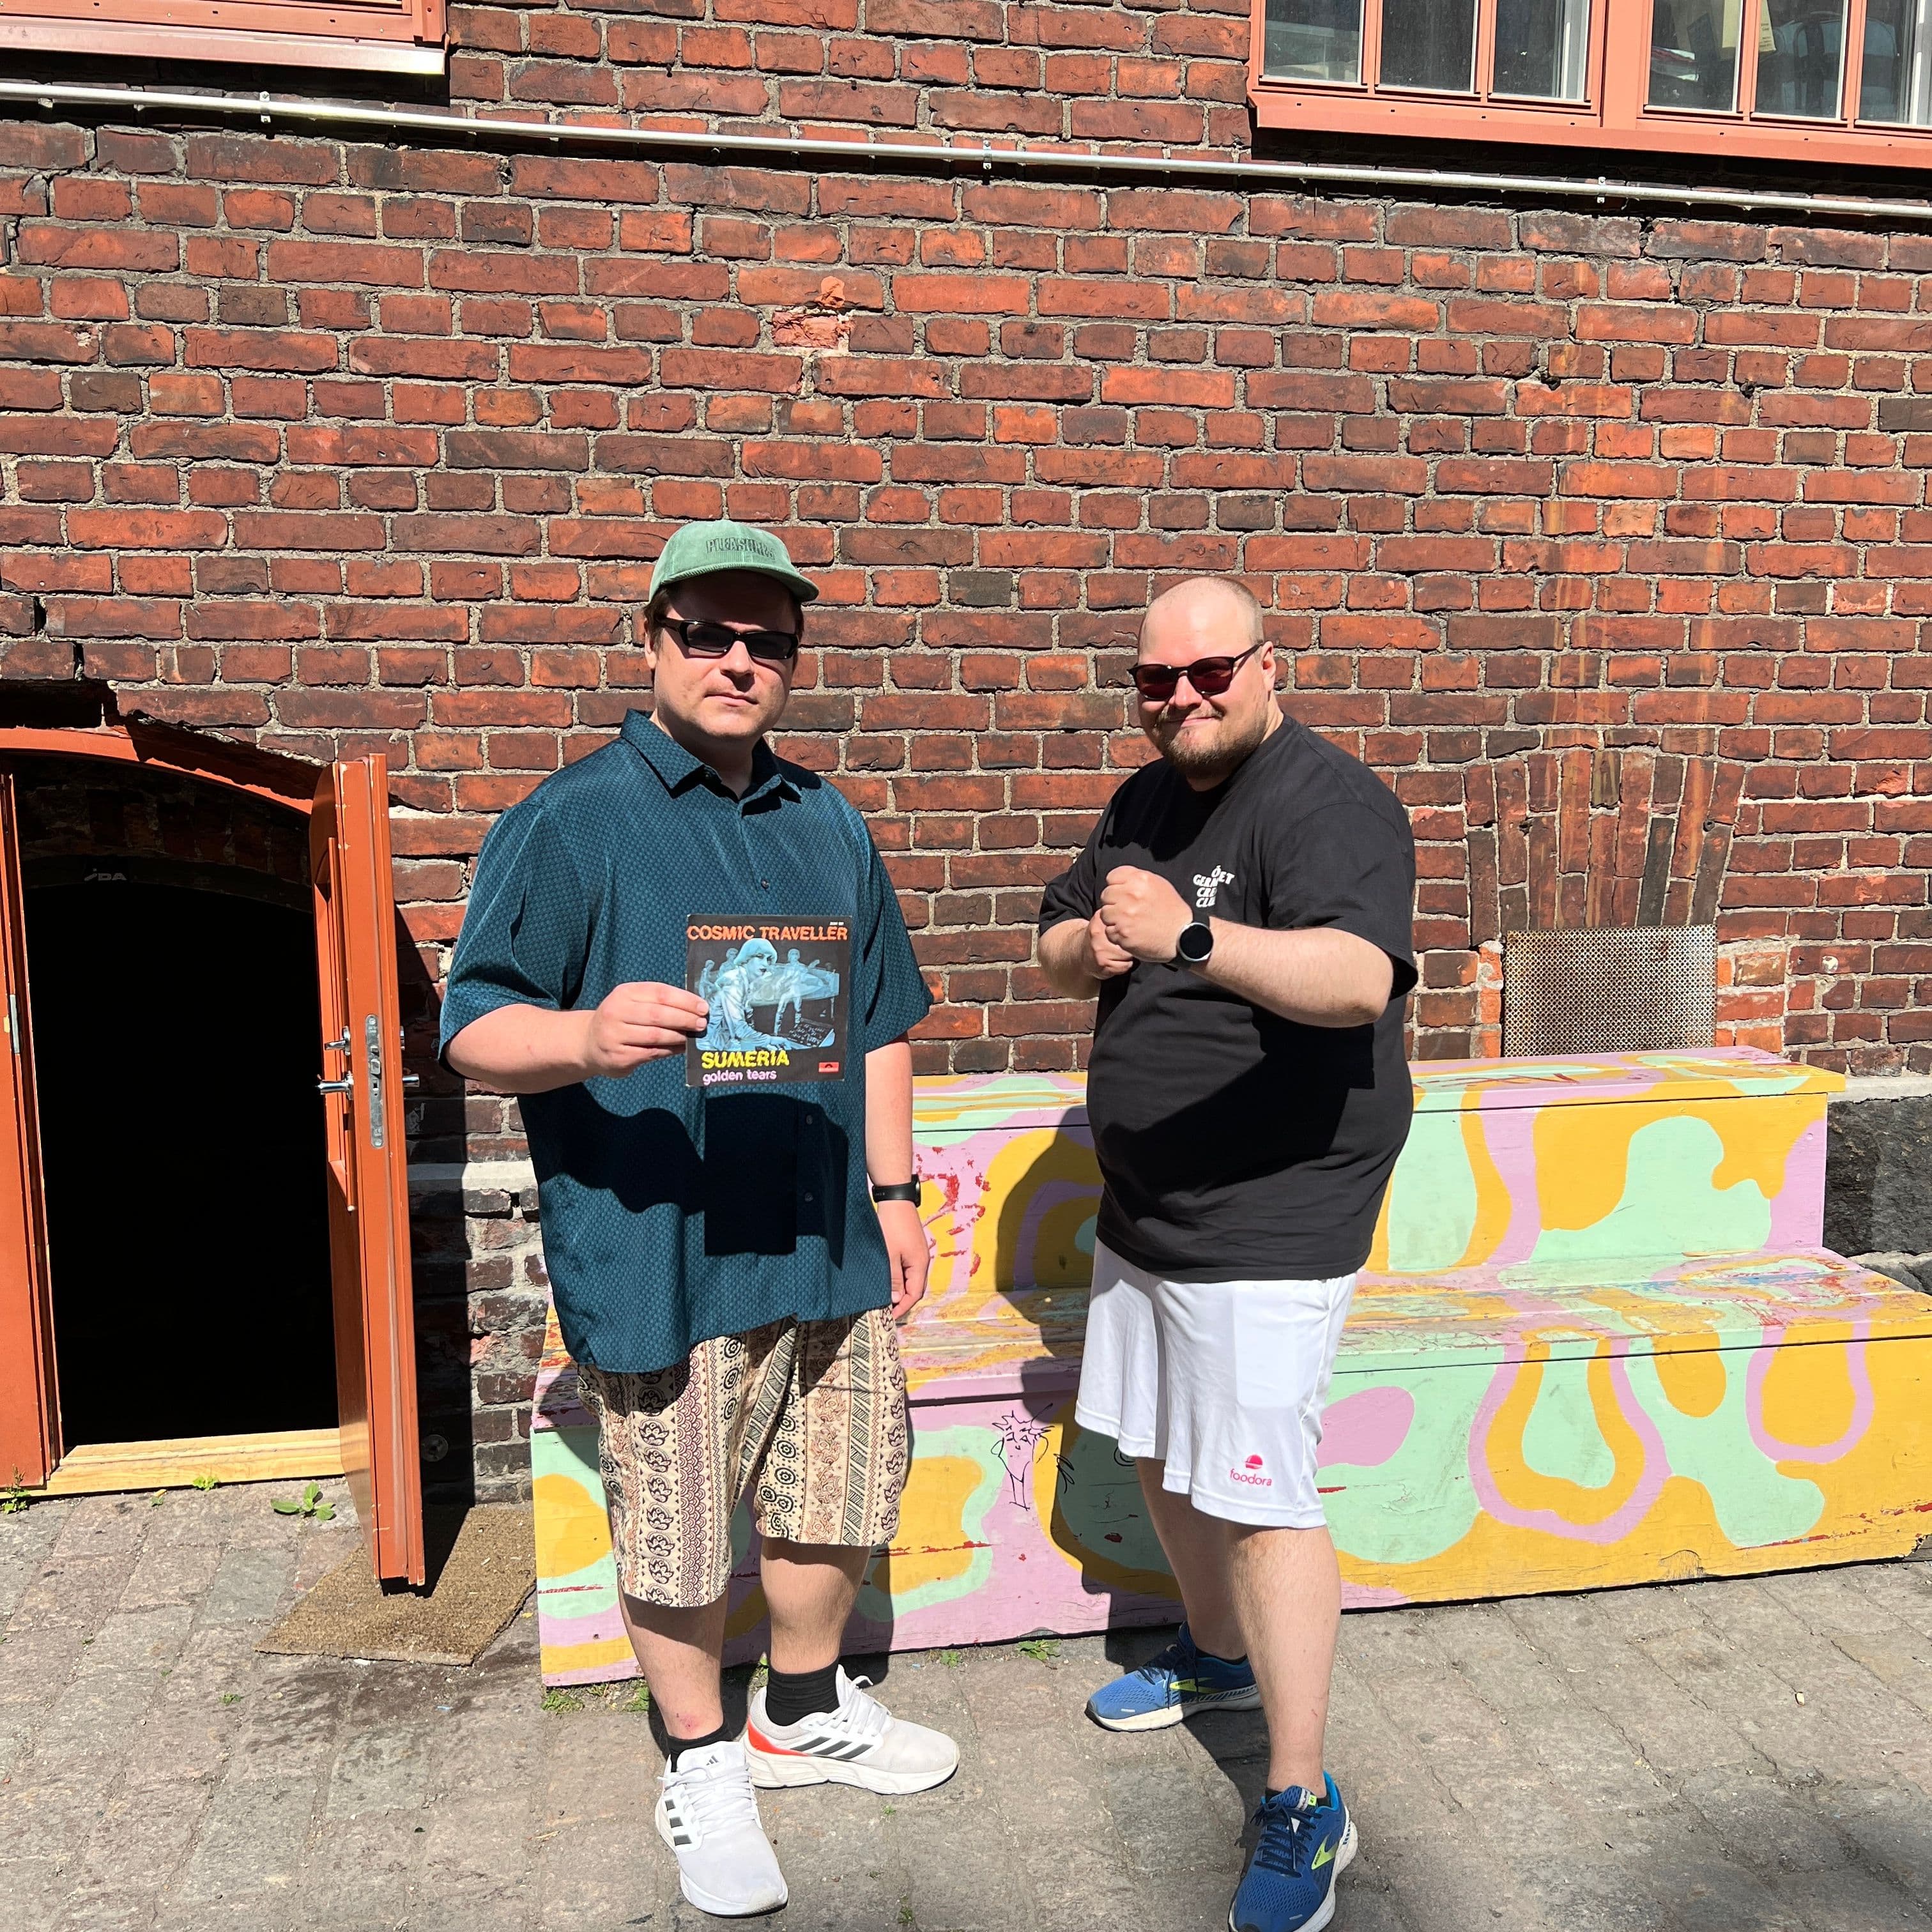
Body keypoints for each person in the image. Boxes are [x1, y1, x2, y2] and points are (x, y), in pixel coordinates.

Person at [440, 519, 957, 1919]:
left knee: (841, 1488)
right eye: (708, 634)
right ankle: (699, 1756)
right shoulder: (573, 819)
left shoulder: (827, 819)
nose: (739, 661)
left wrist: (896, 1193)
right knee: (673, 1526)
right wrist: (584, 1036)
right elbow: (470, 1027)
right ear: (654, 638)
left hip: (825, 1232)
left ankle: (804, 1706)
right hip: (659, 1243)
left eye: (766, 641)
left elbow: (883, 1023)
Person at [1037, 576, 1416, 1932]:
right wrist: (1093, 945)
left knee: (1261, 1497)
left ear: (1268, 665)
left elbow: (1359, 979)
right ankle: (1214, 1658)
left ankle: (1305, 1801)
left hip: (1272, 1209)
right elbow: (1054, 945)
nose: (1182, 698)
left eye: (1209, 672)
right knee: (1159, 1447)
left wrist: (1189, 936)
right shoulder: (1145, 800)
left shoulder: (1328, 802)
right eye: (1156, 680)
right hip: (1149, 1206)